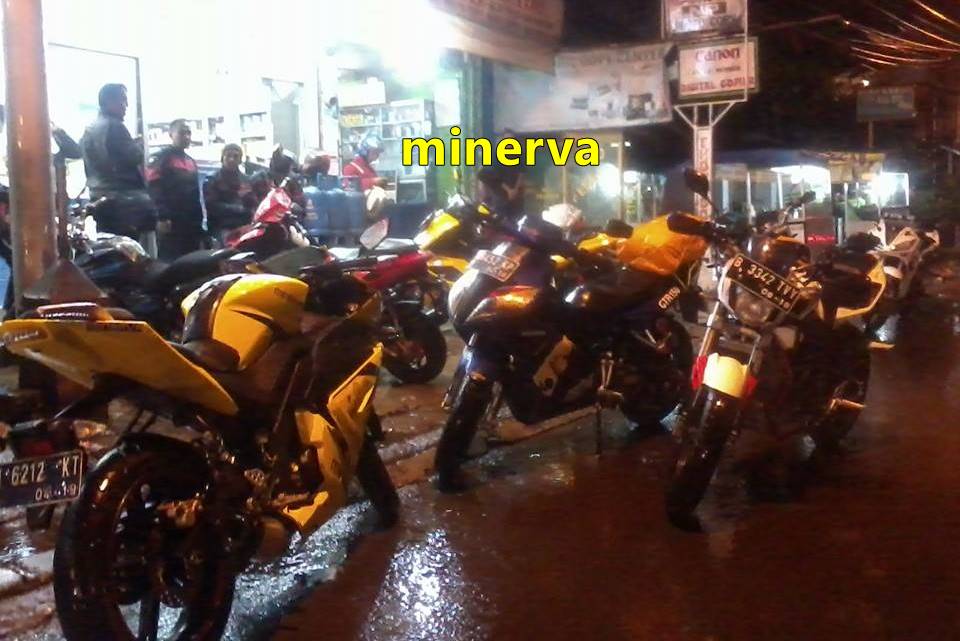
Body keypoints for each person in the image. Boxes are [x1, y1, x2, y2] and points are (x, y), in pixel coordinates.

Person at [80, 83, 158, 255]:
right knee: (131, 255)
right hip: (123, 204)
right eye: (122, 100)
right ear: (109, 102)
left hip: (100, 198)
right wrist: (137, 145)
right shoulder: (115, 126)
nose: (126, 105)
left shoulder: (90, 128)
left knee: (108, 251)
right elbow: (133, 157)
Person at [146, 119, 207, 259]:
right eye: (182, 133)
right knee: (171, 260)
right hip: (171, 221)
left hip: (191, 222)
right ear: (171, 134)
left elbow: (195, 194)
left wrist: (199, 221)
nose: (186, 137)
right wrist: (162, 216)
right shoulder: (160, 158)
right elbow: (154, 188)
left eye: (189, 133)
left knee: (192, 260)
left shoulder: (191, 161)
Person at [203, 143, 258, 241]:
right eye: (228, 156)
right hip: (221, 226)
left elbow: (253, 204)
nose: (231, 159)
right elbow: (211, 206)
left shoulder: (245, 180)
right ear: (222, 158)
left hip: (244, 225)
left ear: (240, 160)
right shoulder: (212, 179)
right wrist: (238, 209)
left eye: (235, 156)